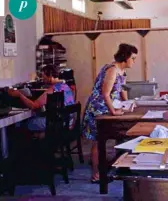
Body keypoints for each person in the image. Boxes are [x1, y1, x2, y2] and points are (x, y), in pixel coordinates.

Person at [82, 43, 138, 183]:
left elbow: (122, 90)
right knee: (98, 142)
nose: (134, 61)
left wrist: (129, 103)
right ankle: (96, 175)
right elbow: (105, 94)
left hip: (108, 108)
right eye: (133, 58)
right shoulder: (112, 70)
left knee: (116, 137)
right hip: (98, 109)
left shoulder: (121, 71)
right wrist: (113, 112)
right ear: (125, 57)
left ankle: (117, 167)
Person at [8, 65, 75, 131]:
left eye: (43, 75)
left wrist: (19, 95)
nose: (42, 78)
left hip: (59, 122)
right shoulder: (66, 86)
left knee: (26, 123)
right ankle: (41, 137)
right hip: (69, 121)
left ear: (50, 76)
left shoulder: (52, 90)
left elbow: (33, 106)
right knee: (37, 116)